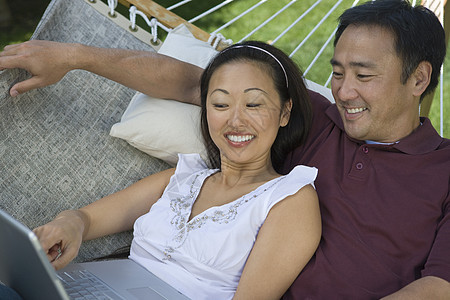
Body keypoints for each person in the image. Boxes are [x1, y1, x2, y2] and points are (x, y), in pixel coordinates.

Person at [0, 0, 449, 298]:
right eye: (336, 72)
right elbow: (194, 82)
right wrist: (75, 57)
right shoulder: (314, 118)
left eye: (364, 76)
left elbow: (439, 286)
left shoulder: (444, 171)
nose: (344, 92)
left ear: (419, 79)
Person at [31, 41, 322, 300]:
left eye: (254, 104)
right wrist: (69, 224)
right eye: (220, 104)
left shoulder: (288, 198)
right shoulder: (186, 177)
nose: (236, 120)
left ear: (285, 112)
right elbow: (87, 218)